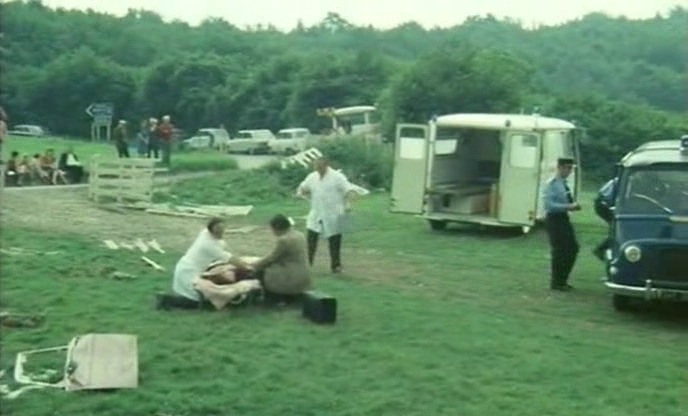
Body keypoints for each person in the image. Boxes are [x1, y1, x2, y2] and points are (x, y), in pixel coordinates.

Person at [158, 217, 245, 309]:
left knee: (194, 295)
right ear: (212, 230)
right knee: (195, 300)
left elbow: (224, 248)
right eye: (218, 230)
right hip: (188, 271)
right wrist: (246, 266)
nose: (221, 232)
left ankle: (170, 300)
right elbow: (230, 259)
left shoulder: (205, 233)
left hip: (186, 266)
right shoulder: (209, 245)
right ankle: (165, 300)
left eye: (222, 229)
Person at [297, 157, 357, 273]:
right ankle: (307, 264)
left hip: (333, 212)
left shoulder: (337, 177)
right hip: (316, 211)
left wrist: (348, 204)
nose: (318, 169)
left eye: (320, 167)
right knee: (311, 238)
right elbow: (303, 188)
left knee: (334, 240)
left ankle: (336, 265)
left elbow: (349, 190)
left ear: (326, 166)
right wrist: (303, 191)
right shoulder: (312, 177)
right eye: (316, 167)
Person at [248, 214, 311, 305]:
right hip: (304, 275)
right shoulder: (299, 235)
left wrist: (253, 265)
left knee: (260, 271)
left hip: (291, 276)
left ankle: (273, 298)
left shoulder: (284, 240)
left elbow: (271, 259)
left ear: (277, 227)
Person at [542, 157, 581, 291]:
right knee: (560, 251)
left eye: (571, 168)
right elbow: (549, 205)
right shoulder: (551, 184)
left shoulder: (563, 183)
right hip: (554, 219)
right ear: (560, 168)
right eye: (567, 168)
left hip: (563, 218)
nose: (569, 171)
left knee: (572, 248)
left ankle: (562, 279)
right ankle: (557, 282)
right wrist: (569, 206)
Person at [592, 177, 618, 261]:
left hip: (602, 203)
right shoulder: (625, 180)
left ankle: (602, 248)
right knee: (618, 230)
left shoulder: (619, 178)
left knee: (616, 229)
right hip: (603, 204)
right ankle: (600, 249)